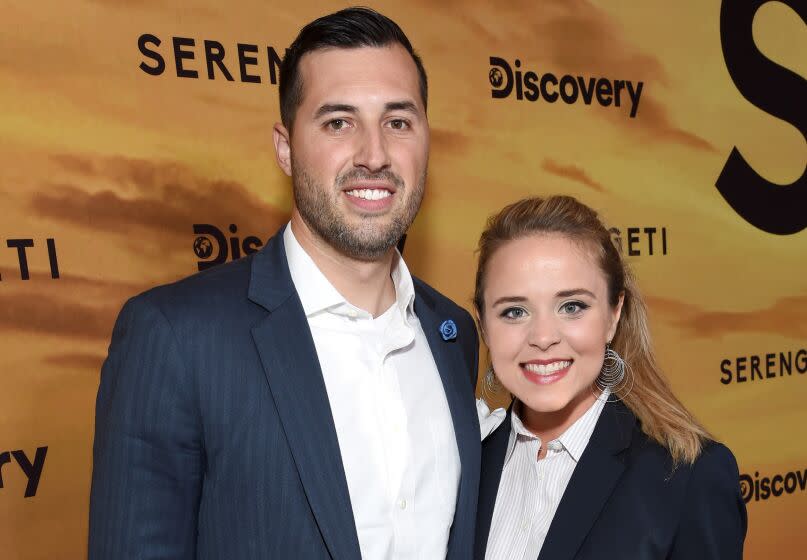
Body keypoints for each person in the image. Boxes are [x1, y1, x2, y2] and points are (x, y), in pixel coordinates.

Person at [88, 8, 480, 559]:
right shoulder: (176, 338)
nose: (374, 154)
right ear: (285, 147)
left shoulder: (453, 335)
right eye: (338, 122)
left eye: (398, 121)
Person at [473, 196, 746, 559]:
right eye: (514, 311)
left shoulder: (690, 477)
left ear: (614, 315)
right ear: (484, 326)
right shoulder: (464, 461)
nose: (543, 337)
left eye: (572, 307)